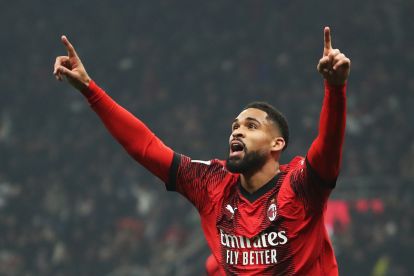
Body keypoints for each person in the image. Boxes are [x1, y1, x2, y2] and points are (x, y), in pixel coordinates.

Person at [53, 26, 350, 275]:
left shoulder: (300, 187)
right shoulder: (212, 183)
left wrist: (335, 88)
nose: (237, 130)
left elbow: (328, 146)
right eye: (235, 125)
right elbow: (146, 147)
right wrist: (89, 88)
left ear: (277, 144)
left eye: (251, 126)